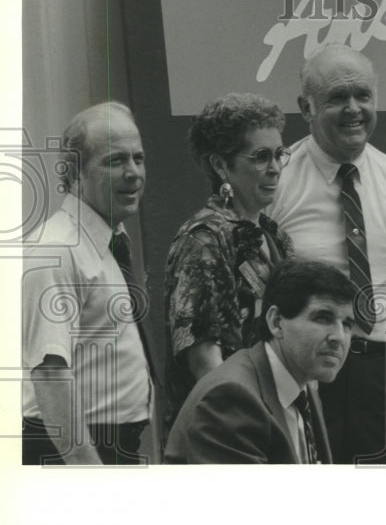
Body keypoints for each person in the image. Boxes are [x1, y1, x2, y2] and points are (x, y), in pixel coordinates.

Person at [269, 44, 386, 463]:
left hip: (379, 372)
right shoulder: (276, 180)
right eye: (337, 98)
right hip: (302, 373)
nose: (354, 109)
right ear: (306, 107)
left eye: (363, 96)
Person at [21, 102, 154, 464]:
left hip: (111, 445)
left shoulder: (108, 242)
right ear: (73, 173)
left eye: (138, 159)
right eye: (115, 161)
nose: (133, 173)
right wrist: (88, 474)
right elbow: (49, 374)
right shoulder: (58, 249)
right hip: (75, 453)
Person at [164, 93, 294, 419]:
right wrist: (245, 427)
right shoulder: (202, 240)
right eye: (261, 157)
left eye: (279, 154)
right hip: (231, 428)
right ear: (221, 165)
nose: (275, 168)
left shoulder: (274, 234)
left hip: (278, 415)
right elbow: (205, 362)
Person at [165, 259, 352, 463]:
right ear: (276, 322)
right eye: (323, 318)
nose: (339, 337)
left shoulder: (302, 383)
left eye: (347, 324)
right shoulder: (231, 398)